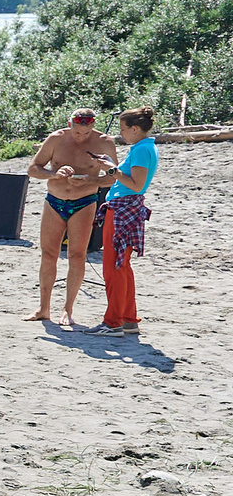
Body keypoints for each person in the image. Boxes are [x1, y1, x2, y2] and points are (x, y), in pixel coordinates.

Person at [27, 109, 117, 328]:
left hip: (84, 202)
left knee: (77, 255)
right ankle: (43, 308)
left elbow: (115, 177)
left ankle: (68, 309)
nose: (81, 137)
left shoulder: (104, 143)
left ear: (93, 126)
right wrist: (54, 174)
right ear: (70, 124)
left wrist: (89, 180)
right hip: (54, 200)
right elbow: (32, 169)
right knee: (49, 254)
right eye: (77, 132)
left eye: (86, 133)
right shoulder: (56, 138)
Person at [98, 107, 158, 338]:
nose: (121, 134)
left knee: (114, 267)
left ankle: (113, 322)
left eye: (123, 129)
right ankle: (128, 320)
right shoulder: (143, 147)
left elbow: (135, 184)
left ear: (135, 128)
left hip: (123, 209)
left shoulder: (142, 150)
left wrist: (111, 169)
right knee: (122, 266)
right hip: (126, 209)